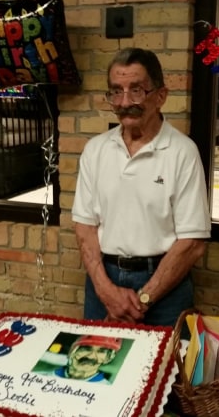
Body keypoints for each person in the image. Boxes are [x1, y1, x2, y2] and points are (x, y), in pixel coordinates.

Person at [72, 48, 211, 327]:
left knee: (164, 369)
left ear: (161, 96)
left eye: (136, 90)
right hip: (103, 280)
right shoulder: (95, 150)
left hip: (165, 288)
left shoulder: (182, 152)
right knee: (98, 365)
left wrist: (142, 300)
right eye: (116, 91)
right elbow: (85, 227)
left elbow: (193, 242)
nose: (125, 102)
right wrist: (106, 291)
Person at [49, 336, 121, 383]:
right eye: (86, 349)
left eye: (101, 351)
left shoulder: (106, 389)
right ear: (72, 352)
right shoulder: (44, 376)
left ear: (107, 358)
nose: (91, 356)